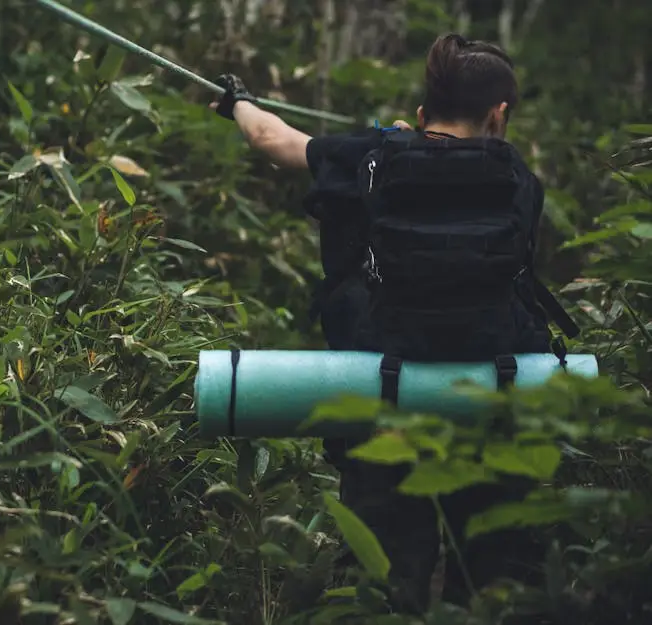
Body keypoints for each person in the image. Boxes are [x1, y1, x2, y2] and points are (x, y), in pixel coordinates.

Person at [209, 34, 580, 615]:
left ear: (421, 111)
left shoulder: (374, 158)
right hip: (494, 390)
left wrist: (238, 103)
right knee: (490, 576)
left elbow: (270, 139)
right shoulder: (519, 179)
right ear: (500, 114)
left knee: (383, 573)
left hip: (383, 385)